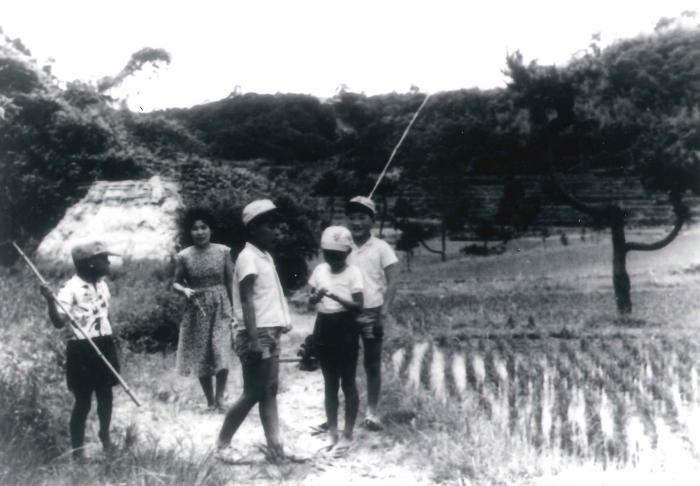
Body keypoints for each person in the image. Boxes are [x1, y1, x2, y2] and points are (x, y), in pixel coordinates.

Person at [216, 199, 295, 463]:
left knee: (270, 390)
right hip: (255, 333)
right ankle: (223, 444)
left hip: (270, 331)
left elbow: (269, 297)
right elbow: (247, 300)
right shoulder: (247, 257)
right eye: (268, 225)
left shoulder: (265, 256)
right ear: (253, 229)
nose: (274, 230)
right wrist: (252, 339)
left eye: (274, 225)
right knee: (253, 392)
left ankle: (276, 447)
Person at [39, 240, 121, 460]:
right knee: (83, 401)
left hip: (104, 343)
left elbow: (105, 315)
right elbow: (58, 322)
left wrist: (112, 339)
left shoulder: (102, 284)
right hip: (81, 349)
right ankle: (78, 451)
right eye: (103, 258)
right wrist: (49, 300)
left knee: (106, 395)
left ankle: (105, 437)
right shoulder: (70, 289)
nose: (108, 262)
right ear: (90, 263)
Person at [308, 226, 364, 457]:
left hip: (346, 326)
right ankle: (332, 430)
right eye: (329, 254)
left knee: (348, 381)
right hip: (324, 325)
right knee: (330, 381)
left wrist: (335, 296)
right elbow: (310, 300)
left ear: (347, 253)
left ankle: (348, 433)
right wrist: (315, 297)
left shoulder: (353, 273)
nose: (333, 259)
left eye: (338, 255)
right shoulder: (320, 270)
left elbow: (358, 305)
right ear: (323, 253)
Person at [346, 196, 399, 430]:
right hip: (345, 312)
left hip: (373, 311)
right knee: (344, 363)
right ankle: (346, 411)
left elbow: (393, 280)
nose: (357, 222)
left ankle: (372, 412)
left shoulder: (381, 248)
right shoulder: (343, 246)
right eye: (353, 217)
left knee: (372, 363)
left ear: (372, 220)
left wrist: (384, 310)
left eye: (362, 217)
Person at [173, 208, 234, 411]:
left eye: (203, 227)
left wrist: (234, 310)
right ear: (189, 232)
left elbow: (230, 281)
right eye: (195, 229)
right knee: (202, 354)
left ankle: (220, 399)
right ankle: (209, 401)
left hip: (220, 304)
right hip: (197, 307)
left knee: (221, 349)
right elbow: (175, 283)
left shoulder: (223, 251)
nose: (199, 232)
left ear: (211, 229)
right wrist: (185, 290)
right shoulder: (184, 256)